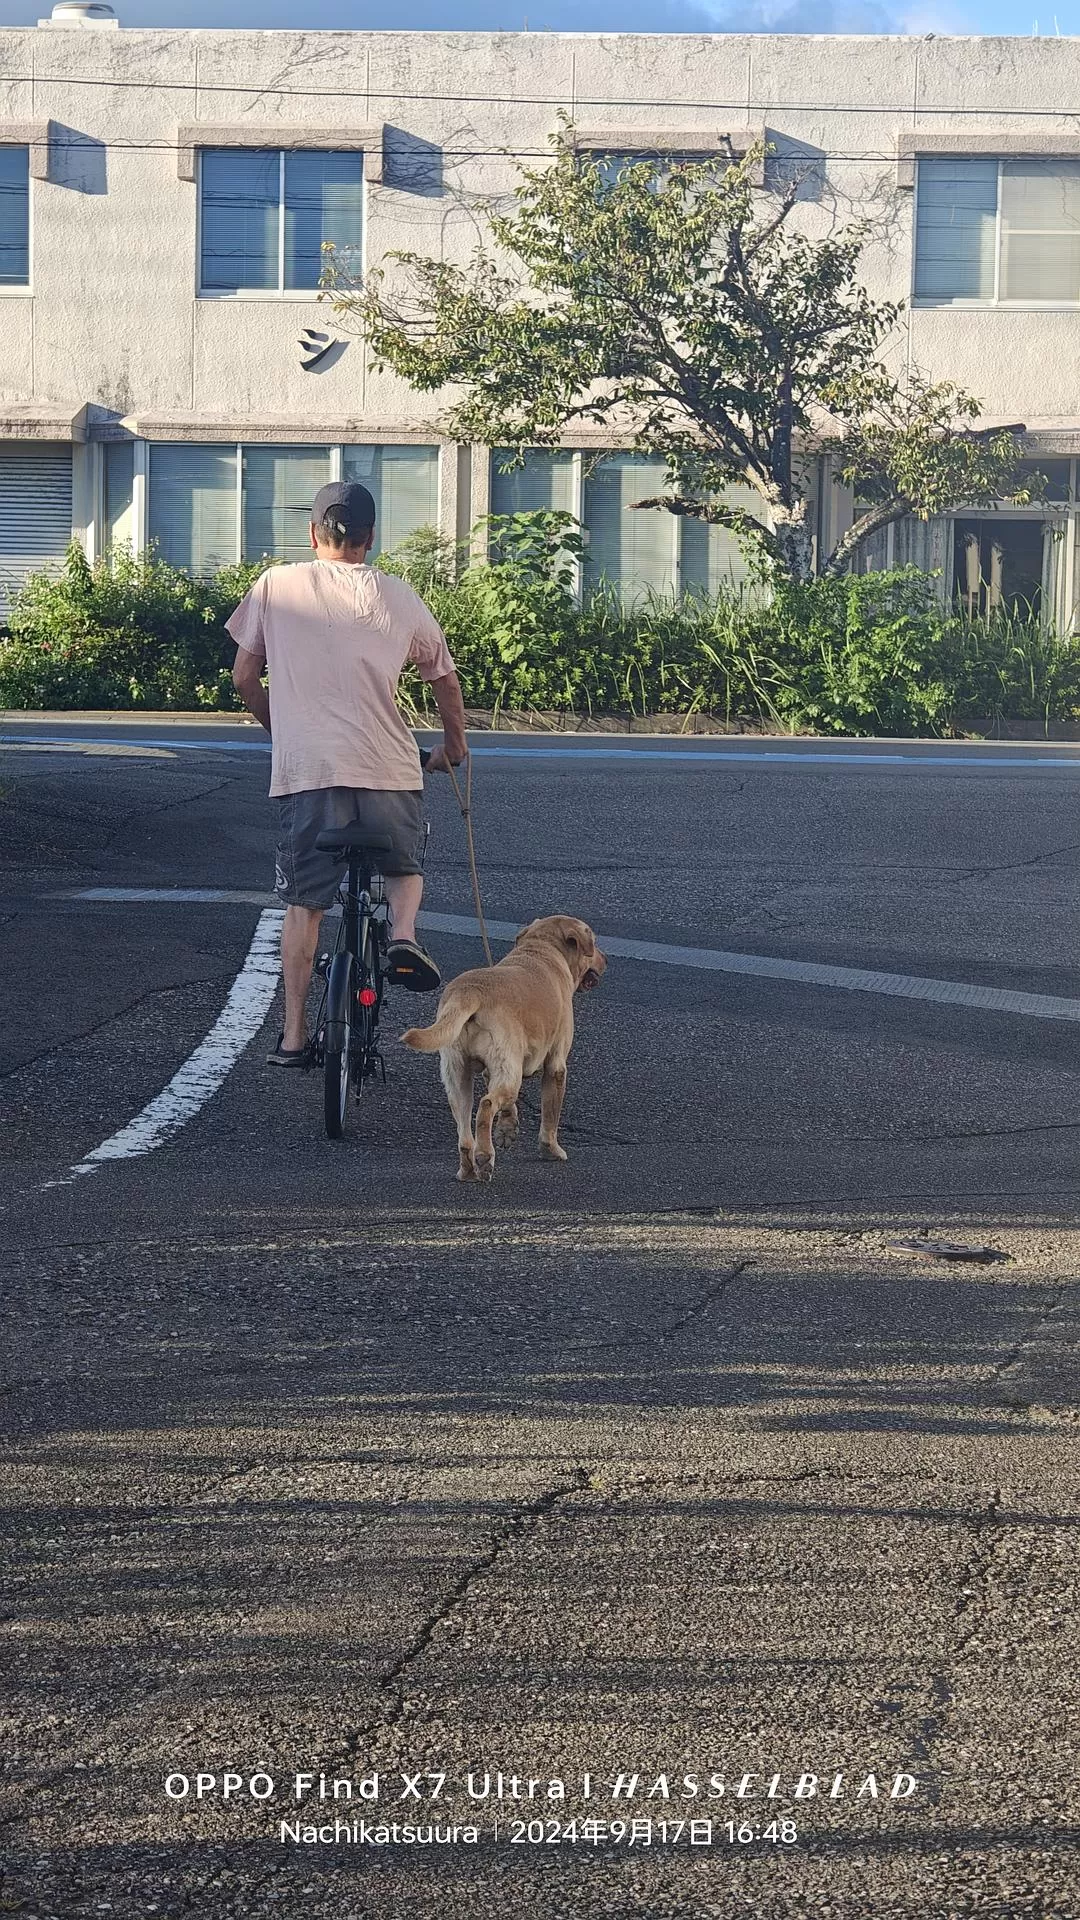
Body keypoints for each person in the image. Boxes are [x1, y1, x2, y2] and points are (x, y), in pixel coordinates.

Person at [227, 479, 468, 1067]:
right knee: (403, 868)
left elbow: (243, 678)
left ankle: (292, 1037)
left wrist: (285, 732)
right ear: (371, 537)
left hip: (309, 772)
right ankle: (403, 936)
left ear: (314, 533)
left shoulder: (276, 585)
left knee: (304, 906)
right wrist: (454, 746)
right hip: (389, 768)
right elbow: (443, 677)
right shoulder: (399, 595)